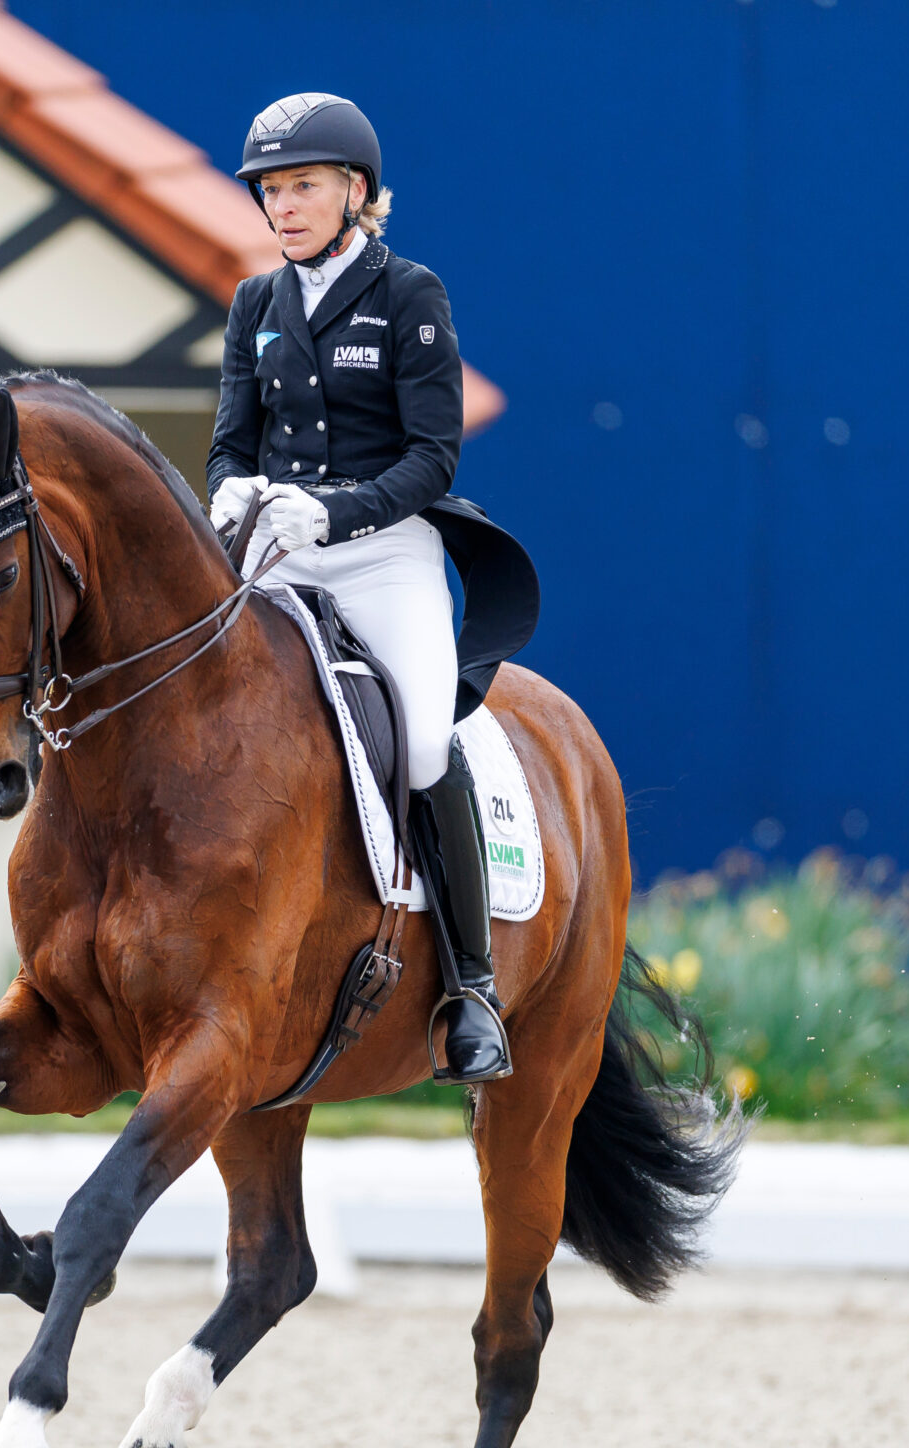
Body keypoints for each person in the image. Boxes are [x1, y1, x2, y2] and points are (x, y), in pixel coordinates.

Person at [208, 92, 526, 1084]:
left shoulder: (408, 295)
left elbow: (435, 456)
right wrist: (230, 495)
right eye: (271, 189)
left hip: (385, 550)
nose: (284, 206)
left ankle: (470, 988)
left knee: (426, 740)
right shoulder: (254, 305)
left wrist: (336, 514)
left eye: (303, 186)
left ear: (356, 192)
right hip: (277, 549)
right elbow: (228, 442)